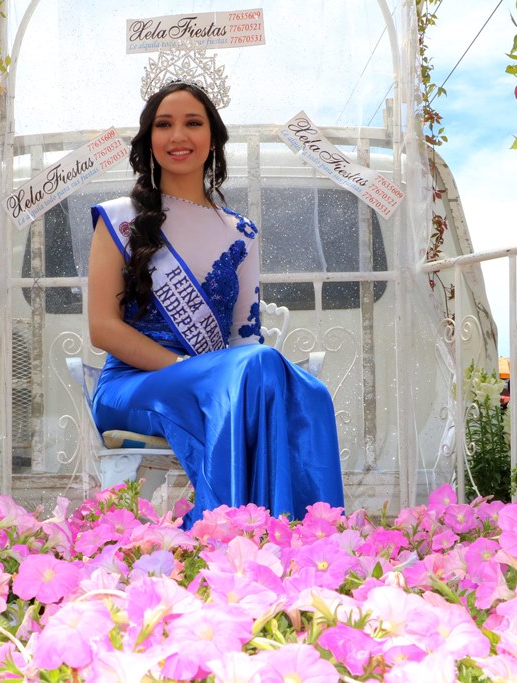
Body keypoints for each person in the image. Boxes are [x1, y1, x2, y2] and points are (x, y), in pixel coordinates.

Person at [87, 81, 345, 527]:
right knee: (247, 377)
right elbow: (102, 329)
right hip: (132, 387)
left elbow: (244, 338)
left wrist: (210, 376)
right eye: (164, 125)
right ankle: (227, 530)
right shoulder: (119, 219)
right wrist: (191, 371)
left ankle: (291, 531)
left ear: (212, 139)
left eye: (193, 123)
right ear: (150, 139)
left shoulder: (241, 233)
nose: (178, 136)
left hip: (211, 383)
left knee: (304, 389)